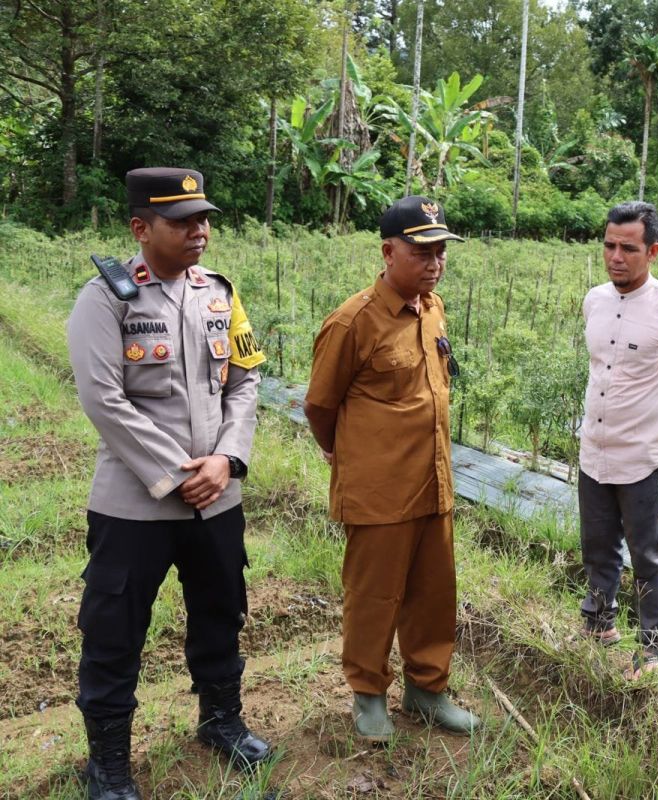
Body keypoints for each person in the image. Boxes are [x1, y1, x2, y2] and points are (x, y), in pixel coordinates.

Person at [67, 167, 271, 800]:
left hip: (218, 499)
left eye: (203, 219)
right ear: (140, 227)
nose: (199, 231)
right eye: (183, 221)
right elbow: (104, 399)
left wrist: (227, 461)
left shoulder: (220, 293)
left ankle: (221, 721)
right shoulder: (104, 300)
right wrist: (178, 473)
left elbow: (244, 381)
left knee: (220, 611)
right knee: (114, 629)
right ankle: (108, 759)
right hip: (136, 504)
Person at [303, 195, 478, 741]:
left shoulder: (434, 309)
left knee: (433, 593)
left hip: (434, 482)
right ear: (388, 251)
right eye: (422, 251)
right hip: (380, 489)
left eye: (441, 251)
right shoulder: (353, 321)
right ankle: (368, 693)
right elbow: (319, 404)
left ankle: (427, 691)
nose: (434, 262)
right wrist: (346, 454)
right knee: (375, 594)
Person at [578, 201, 658, 679]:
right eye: (609, 245)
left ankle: (651, 649)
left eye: (628, 248)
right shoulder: (594, 300)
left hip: (645, 457)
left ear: (653, 251)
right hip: (594, 450)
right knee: (597, 547)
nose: (616, 257)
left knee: (648, 555)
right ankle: (599, 625)